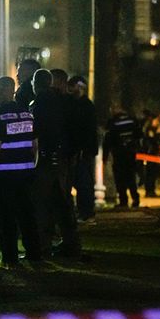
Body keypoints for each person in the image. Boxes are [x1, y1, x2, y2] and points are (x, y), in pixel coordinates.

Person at [0, 75, 41, 266]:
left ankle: (10, 259)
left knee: (7, 219)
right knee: (27, 216)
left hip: (5, 177)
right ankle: (34, 254)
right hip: (25, 175)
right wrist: (30, 166)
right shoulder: (27, 114)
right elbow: (34, 146)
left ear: (4, 91)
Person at [28, 68, 81, 257]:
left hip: (45, 158)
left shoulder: (37, 104)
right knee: (63, 203)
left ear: (36, 84)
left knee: (40, 203)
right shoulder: (64, 102)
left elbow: (34, 133)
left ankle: (43, 246)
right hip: (63, 158)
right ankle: (71, 244)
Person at [65, 74, 98, 221]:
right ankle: (83, 210)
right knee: (79, 181)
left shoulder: (85, 106)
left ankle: (86, 211)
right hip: (78, 149)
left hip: (84, 151)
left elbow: (88, 130)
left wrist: (84, 149)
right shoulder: (75, 104)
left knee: (84, 181)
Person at [104, 104, 141, 208]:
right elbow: (139, 134)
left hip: (119, 154)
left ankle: (123, 201)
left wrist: (105, 157)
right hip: (131, 153)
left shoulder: (112, 122)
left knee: (120, 179)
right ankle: (135, 199)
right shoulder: (132, 120)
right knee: (131, 177)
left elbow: (108, 140)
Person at [141, 109, 160, 197]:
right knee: (150, 173)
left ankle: (151, 190)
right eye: (156, 120)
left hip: (154, 153)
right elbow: (153, 140)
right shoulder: (150, 129)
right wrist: (157, 133)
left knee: (153, 173)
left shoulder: (153, 129)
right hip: (150, 153)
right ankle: (149, 190)